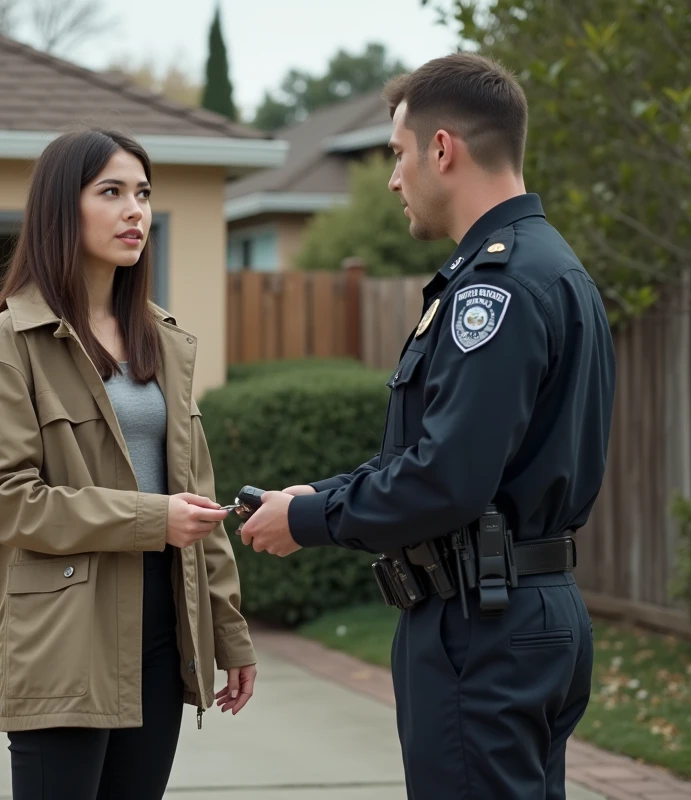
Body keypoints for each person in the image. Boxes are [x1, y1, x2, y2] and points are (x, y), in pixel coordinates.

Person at [237, 53, 616, 799]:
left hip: (483, 625)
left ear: (442, 149)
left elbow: (448, 478)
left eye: (396, 153)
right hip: (529, 608)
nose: (392, 178)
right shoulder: (553, 268)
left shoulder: (494, 290)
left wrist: (309, 520)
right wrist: (320, 493)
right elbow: (443, 452)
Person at [0, 128, 258, 800]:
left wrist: (228, 634)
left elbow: (197, 496)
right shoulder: (10, 344)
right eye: (112, 192)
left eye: (143, 194)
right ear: (62, 208)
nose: (135, 211)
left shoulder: (162, 340)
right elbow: (3, 499)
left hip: (162, 631)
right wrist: (152, 519)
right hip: (65, 635)